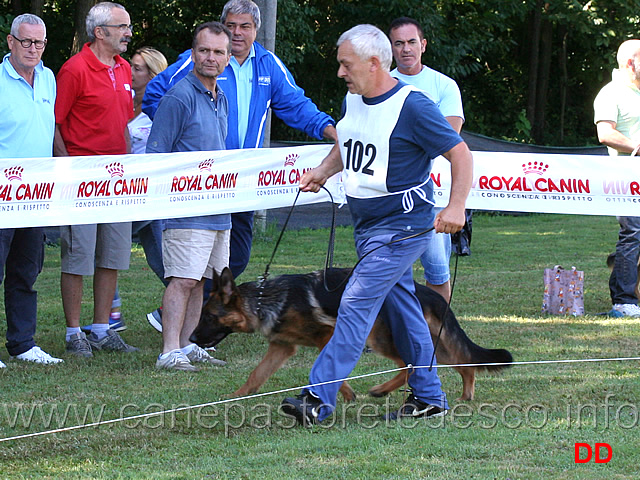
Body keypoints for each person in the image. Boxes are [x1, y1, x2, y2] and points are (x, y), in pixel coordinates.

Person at [281, 24, 473, 425]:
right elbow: (348, 141)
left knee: (355, 303)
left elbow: (460, 153)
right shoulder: (356, 98)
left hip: (403, 226)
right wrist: (323, 171)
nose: (340, 72)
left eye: (346, 65)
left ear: (373, 63)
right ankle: (429, 397)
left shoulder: (413, 106)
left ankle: (318, 398)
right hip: (368, 227)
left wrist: (456, 207)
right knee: (405, 309)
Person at [142, 0, 337, 332]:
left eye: (244, 27)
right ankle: (180, 322)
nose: (236, 33)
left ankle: (191, 319)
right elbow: (154, 95)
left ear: (256, 31)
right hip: (200, 181)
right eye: (230, 26)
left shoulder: (267, 64)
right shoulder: (202, 59)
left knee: (235, 257)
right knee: (192, 262)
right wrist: (186, 135)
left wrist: (330, 130)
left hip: (245, 179)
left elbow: (295, 105)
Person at [54, 1, 138, 356]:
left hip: (118, 180)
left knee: (112, 256)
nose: (128, 33)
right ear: (99, 32)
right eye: (122, 27)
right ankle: (75, 333)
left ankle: (102, 329)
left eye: (128, 26)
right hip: (81, 178)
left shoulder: (123, 68)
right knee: (78, 256)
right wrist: (66, 168)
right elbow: (54, 123)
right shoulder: (74, 69)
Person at [147, 21, 231, 371]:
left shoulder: (220, 96)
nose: (210, 58)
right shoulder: (178, 96)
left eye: (218, 52)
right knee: (182, 278)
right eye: (204, 50)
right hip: (186, 209)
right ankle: (169, 351)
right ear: (193, 53)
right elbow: (157, 154)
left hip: (218, 206)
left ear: (228, 58)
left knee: (201, 280)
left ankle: (187, 343)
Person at [81, 46, 169, 335]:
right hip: (117, 192)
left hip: (149, 195)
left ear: (154, 75)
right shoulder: (122, 99)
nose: (131, 72)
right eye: (130, 65)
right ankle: (112, 312)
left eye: (139, 68)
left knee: (163, 263)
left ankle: (197, 304)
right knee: (104, 249)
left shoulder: (161, 109)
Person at [0, 14, 63, 367]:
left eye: (39, 43)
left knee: (27, 271)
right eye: (26, 42)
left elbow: (48, 129)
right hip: (1, 195)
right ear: (11, 42)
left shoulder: (48, 78)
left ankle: (22, 343)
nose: (33, 49)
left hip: (36, 196)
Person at [388, 16, 465, 302]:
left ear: (423, 45)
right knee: (389, 271)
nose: (405, 49)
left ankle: (439, 337)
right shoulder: (381, 84)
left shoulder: (444, 85)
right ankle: (392, 334)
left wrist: (405, 141)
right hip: (390, 196)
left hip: (433, 194)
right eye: (399, 43)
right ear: (391, 48)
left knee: (437, 271)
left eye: (411, 42)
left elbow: (449, 137)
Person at [594, 39, 640, 318]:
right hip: (627, 176)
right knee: (633, 234)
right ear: (631, 63)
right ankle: (624, 300)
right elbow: (605, 133)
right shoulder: (611, 93)